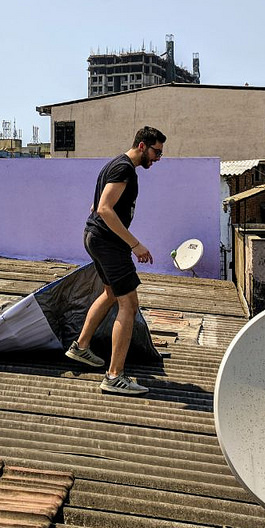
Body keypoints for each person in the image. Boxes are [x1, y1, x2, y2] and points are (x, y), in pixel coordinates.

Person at [66, 126, 166, 395]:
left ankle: (81, 347)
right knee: (129, 305)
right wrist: (135, 244)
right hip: (108, 243)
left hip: (95, 237)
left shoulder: (115, 165)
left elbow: (94, 207)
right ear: (143, 146)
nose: (158, 158)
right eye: (156, 152)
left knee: (110, 293)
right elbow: (103, 209)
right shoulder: (124, 168)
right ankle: (114, 376)